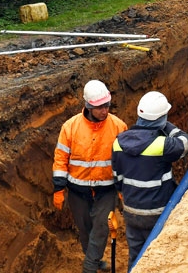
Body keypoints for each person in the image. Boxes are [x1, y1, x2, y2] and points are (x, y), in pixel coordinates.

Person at [111, 91, 188, 269]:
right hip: (158, 214)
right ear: (162, 117)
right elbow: (187, 142)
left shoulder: (118, 143)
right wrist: (168, 126)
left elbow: (117, 177)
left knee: (136, 257)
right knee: (159, 259)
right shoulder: (162, 145)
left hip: (132, 212)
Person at [53, 79, 128, 273]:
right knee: (85, 231)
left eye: (107, 105)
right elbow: (61, 159)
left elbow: (124, 161)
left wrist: (122, 189)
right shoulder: (70, 127)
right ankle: (94, 258)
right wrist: (59, 189)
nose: (105, 110)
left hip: (106, 189)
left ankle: (89, 267)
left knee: (102, 228)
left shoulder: (118, 127)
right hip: (78, 191)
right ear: (88, 106)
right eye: (100, 107)